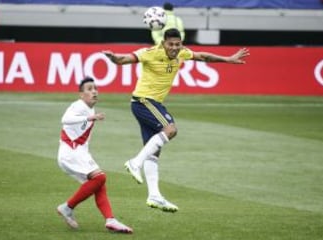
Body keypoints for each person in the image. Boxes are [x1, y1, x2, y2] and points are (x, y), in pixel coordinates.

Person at [103, 28, 249, 213]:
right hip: (143, 101)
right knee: (170, 129)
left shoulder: (182, 52)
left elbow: (203, 56)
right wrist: (113, 57)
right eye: (170, 44)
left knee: (154, 151)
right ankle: (134, 162)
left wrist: (227, 59)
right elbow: (124, 59)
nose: (174, 48)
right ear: (163, 43)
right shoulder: (149, 53)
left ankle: (154, 195)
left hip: (152, 103)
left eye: (177, 44)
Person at [56, 77, 133, 234]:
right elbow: (65, 119)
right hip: (71, 151)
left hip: (79, 152)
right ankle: (67, 207)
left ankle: (110, 220)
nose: (94, 91)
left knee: (99, 184)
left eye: (95, 88)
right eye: (89, 89)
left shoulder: (89, 109)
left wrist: (91, 116)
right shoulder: (78, 106)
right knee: (100, 178)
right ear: (81, 94)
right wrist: (90, 117)